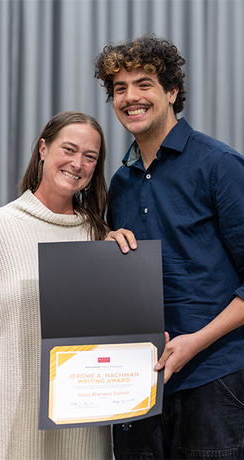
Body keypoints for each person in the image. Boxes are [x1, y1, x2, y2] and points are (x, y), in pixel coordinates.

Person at [94, 34, 244, 459]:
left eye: (144, 84)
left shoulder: (219, 165)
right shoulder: (120, 181)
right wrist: (106, 250)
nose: (131, 97)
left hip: (214, 377)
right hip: (136, 379)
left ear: (172, 92)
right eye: (119, 88)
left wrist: (195, 341)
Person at [0, 111, 112, 459]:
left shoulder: (99, 238)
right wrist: (2, 402)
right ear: (43, 149)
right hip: (6, 431)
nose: (77, 163)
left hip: (80, 434)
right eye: (68, 149)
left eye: (90, 157)